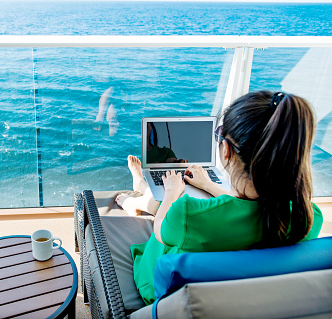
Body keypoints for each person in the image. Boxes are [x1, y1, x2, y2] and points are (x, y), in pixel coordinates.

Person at [116, 90, 324, 305]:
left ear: (226, 150)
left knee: (163, 206)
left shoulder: (187, 213)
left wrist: (171, 192)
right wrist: (208, 185)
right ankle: (140, 190)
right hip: (251, 300)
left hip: (172, 293)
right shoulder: (306, 216)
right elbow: (248, 206)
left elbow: (160, 229)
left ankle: (137, 195)